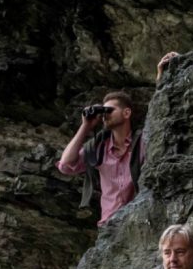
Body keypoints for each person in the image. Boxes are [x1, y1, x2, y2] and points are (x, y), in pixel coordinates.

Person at [57, 91, 144, 226]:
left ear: (126, 113)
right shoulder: (98, 147)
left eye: (109, 110)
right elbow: (66, 165)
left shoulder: (142, 142)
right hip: (109, 225)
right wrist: (86, 125)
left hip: (138, 220)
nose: (105, 115)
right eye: (103, 111)